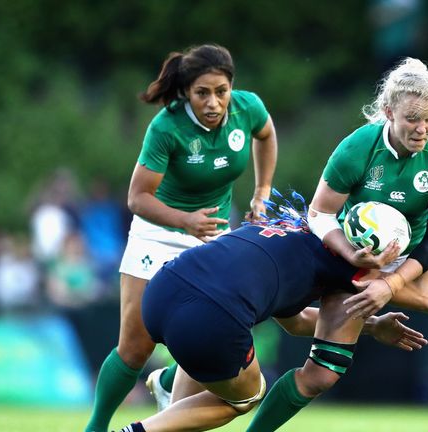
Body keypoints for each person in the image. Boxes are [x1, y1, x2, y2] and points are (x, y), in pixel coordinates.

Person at [247, 58, 428, 432]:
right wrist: (350, 252)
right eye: (413, 119)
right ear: (388, 111)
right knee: (319, 376)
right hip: (357, 264)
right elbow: (320, 214)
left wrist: (392, 283)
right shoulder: (357, 148)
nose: (422, 129)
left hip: (420, 258)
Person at [84, 44, 278, 432]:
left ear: (231, 87)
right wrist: (185, 220)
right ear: (186, 91)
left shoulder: (247, 108)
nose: (213, 102)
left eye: (221, 91)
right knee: (136, 348)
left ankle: (171, 381)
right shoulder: (167, 126)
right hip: (158, 235)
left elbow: (267, 134)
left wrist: (263, 191)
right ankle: (96, 426)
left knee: (210, 335)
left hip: (212, 240)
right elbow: (137, 198)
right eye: (202, 92)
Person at [113, 217, 428, 432]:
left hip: (162, 290)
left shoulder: (286, 229)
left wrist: (371, 326)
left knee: (204, 377)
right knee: (247, 396)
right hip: (212, 316)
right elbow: (421, 295)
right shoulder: (347, 265)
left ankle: (167, 390)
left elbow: (297, 321)